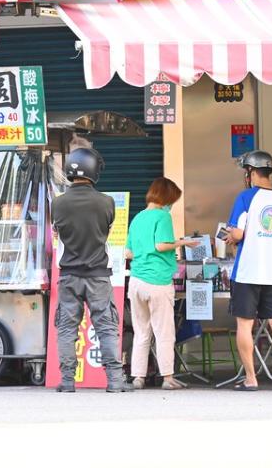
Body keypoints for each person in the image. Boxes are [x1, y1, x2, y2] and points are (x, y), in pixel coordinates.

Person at [51, 148, 129, 393]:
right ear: (93, 170)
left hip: (69, 277)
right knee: (106, 327)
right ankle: (115, 381)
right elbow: (105, 229)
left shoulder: (58, 202)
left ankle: (66, 381)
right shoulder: (105, 202)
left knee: (66, 329)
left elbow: (58, 232)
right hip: (97, 276)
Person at [224, 150, 272, 391]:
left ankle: (251, 378)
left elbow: (238, 233)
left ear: (251, 172)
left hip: (248, 271)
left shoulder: (246, 197)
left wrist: (231, 238)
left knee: (245, 325)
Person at [124, 177, 200, 390]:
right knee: (164, 331)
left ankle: (138, 377)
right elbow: (161, 245)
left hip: (137, 281)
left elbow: (128, 252)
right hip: (157, 281)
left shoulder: (138, 217)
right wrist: (183, 242)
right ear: (167, 198)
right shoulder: (162, 216)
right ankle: (167, 377)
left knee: (141, 331)